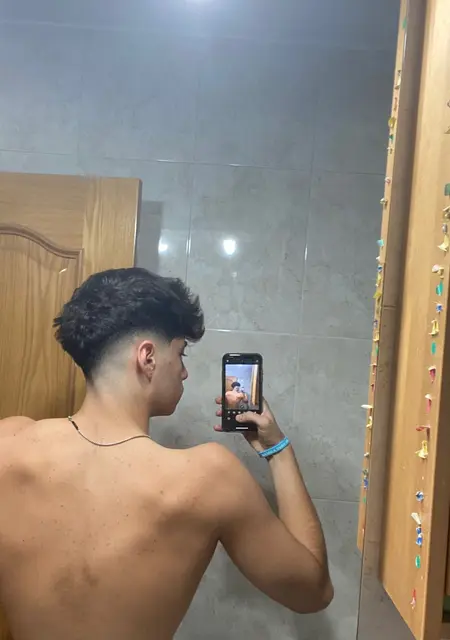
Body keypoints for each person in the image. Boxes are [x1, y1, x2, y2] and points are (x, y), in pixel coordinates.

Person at [0, 268, 333, 640]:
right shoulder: (208, 477)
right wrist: (278, 448)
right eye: (180, 353)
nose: (184, 372)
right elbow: (313, 592)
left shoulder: (8, 444)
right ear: (147, 357)